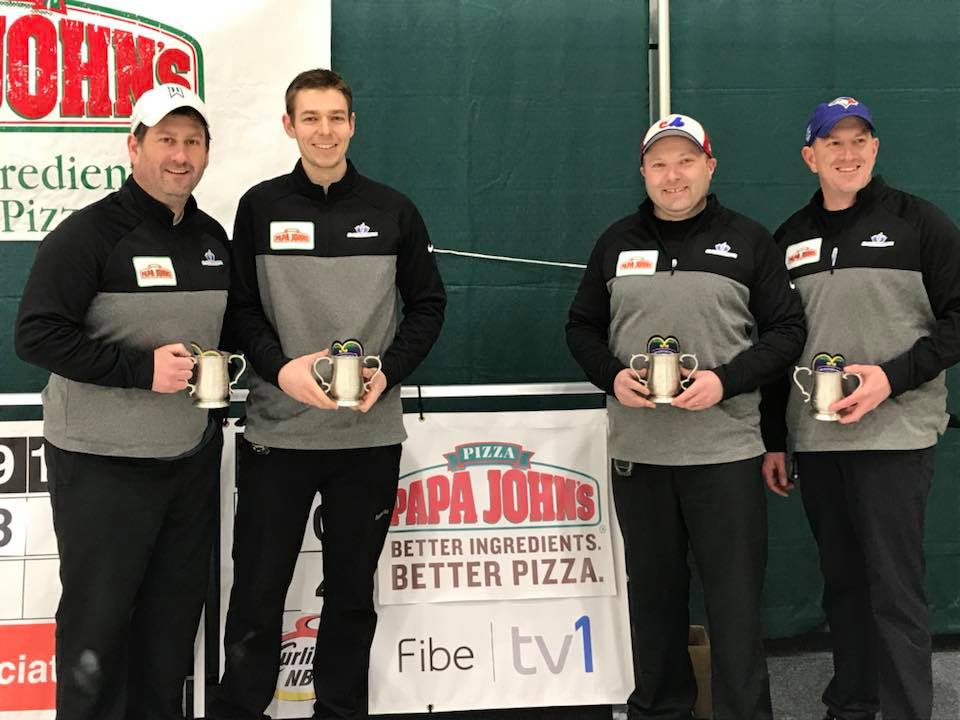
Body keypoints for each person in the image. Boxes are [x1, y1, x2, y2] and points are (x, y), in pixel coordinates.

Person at [209, 68, 445, 720]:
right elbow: (240, 310)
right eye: (310, 117)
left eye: (335, 117)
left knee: (349, 595)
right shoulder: (259, 206)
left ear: (352, 125)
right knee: (257, 595)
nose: (324, 130)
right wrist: (280, 369)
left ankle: (341, 711)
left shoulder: (392, 208)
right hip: (275, 436)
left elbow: (428, 306)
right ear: (289, 126)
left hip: (367, 441)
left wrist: (388, 372)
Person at [567, 113, 805, 720]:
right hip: (639, 454)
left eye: (685, 161)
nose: (673, 176)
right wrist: (612, 376)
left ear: (709, 165)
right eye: (659, 163)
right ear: (644, 171)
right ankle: (658, 710)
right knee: (654, 600)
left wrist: (726, 380)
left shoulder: (750, 241)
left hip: (724, 453)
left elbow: (787, 332)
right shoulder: (615, 242)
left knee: (733, 604)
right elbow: (582, 328)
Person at [15, 84, 228, 720]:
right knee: (97, 627)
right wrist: (139, 369)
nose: (180, 154)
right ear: (133, 146)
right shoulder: (88, 234)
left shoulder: (212, 238)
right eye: (166, 139)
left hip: (186, 460)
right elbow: (36, 334)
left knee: (169, 626)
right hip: (101, 463)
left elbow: (238, 331)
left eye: (193, 141)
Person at [761, 96, 960, 720]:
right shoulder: (789, 239)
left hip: (896, 436)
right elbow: (775, 341)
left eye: (859, 141)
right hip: (817, 442)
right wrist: (775, 438)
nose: (847, 154)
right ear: (809, 155)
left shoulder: (921, 223)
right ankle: (852, 703)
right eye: (833, 143)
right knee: (843, 586)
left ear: (875, 149)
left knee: (894, 590)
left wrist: (892, 378)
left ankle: (906, 710)